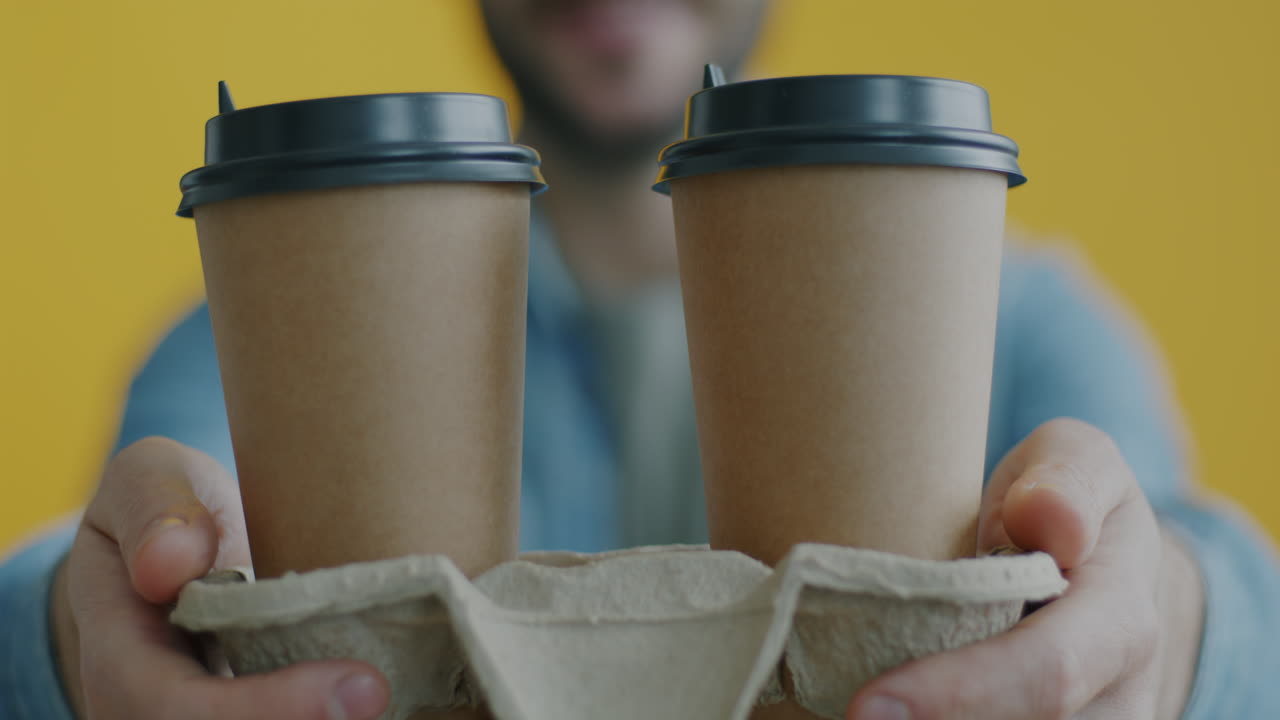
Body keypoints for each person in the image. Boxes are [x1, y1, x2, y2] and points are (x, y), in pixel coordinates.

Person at [3, 1, 1278, 718]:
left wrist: (1163, 623)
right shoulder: (248, 325)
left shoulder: (1025, 321)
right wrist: (75, 628)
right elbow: (123, 557)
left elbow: (1188, 574)